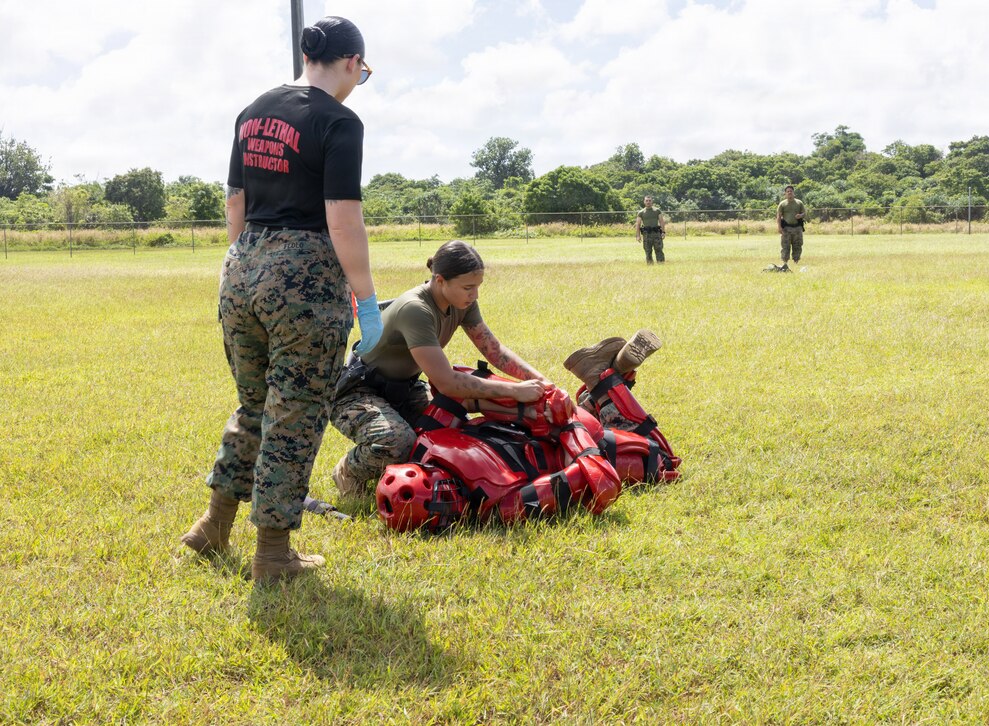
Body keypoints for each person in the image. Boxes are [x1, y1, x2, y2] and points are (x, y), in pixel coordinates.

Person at [181, 16, 382, 583]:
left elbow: (235, 203)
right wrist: (366, 302)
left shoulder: (253, 112)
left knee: (253, 404)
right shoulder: (340, 121)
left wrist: (251, 266)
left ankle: (212, 526)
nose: (357, 81)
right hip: (305, 277)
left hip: (241, 269)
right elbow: (342, 220)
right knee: (294, 415)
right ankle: (272, 555)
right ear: (350, 63)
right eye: (361, 72)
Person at [375, 330, 681, 533]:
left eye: (439, 492)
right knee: (659, 459)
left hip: (537, 421)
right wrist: (573, 435)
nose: (450, 497)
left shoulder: (426, 438)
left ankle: (600, 386)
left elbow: (461, 385)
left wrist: (525, 404)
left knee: (596, 430)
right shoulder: (505, 507)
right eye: (438, 503)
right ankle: (604, 381)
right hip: (567, 443)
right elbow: (588, 479)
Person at [329, 240, 550, 499]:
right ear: (441, 280)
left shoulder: (462, 304)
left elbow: (493, 350)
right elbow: (447, 382)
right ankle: (348, 471)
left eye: (477, 287)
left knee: (449, 433)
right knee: (399, 442)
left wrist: (542, 381)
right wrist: (516, 391)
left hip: (404, 389)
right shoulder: (416, 309)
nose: (474, 295)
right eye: (468, 287)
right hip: (358, 392)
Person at [775, 185, 806, 272]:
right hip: (786, 229)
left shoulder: (799, 203)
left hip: (797, 228)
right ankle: (785, 262)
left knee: (797, 245)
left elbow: (804, 213)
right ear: (785, 193)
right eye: (787, 191)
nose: (789, 193)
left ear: (793, 193)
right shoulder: (782, 204)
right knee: (785, 246)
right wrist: (779, 227)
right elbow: (779, 216)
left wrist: (800, 215)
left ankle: (796, 261)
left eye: (791, 191)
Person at [635, 196, 666, 264]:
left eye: (649, 200)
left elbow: (661, 221)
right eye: (646, 200)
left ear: (652, 201)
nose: (648, 202)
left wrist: (663, 232)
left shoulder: (657, 211)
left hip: (656, 233)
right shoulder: (641, 212)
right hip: (646, 234)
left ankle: (661, 264)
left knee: (659, 249)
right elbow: (638, 224)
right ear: (644, 202)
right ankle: (650, 264)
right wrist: (638, 235)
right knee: (648, 250)